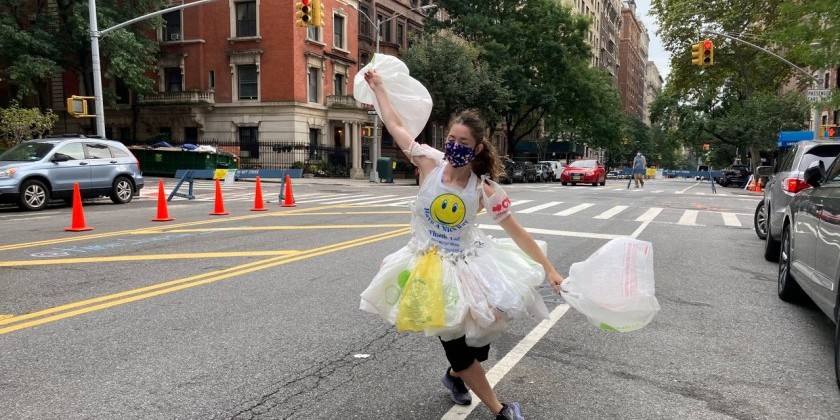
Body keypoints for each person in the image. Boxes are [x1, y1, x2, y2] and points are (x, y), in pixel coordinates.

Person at [359, 68, 565, 420]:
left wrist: (550, 270)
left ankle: (456, 377)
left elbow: (517, 232)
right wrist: (378, 88)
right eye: (451, 138)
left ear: (478, 148)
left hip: (468, 266)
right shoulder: (428, 163)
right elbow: (395, 124)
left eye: (463, 141)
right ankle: (501, 410)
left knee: (476, 345)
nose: (453, 145)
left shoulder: (484, 189)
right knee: (459, 349)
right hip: (427, 267)